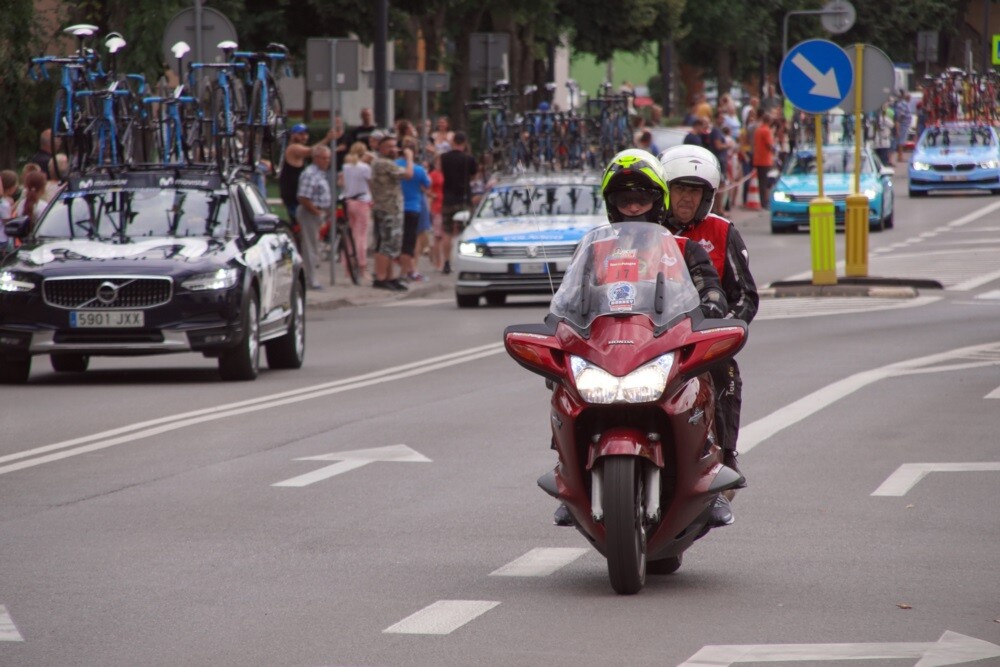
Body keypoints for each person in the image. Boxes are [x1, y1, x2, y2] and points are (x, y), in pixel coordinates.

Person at [552, 149, 728, 526]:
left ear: (657, 201)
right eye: (624, 198)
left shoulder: (682, 248)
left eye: (641, 198)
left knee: (715, 373)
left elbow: (710, 290)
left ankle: (713, 472)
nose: (633, 207)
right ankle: (567, 474)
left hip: (661, 344)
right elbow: (568, 299)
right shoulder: (593, 249)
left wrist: (712, 308)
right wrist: (557, 323)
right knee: (560, 380)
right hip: (607, 347)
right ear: (611, 204)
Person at [659, 144, 759, 527]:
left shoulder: (722, 231)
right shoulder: (644, 228)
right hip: (644, 341)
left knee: (726, 372)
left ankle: (724, 465)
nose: (686, 197)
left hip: (698, 343)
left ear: (707, 196)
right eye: (680, 188)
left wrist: (721, 332)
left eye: (695, 191)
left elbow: (746, 296)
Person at [369, 132, 414, 291]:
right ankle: (381, 277)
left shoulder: (385, 163)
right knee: (387, 244)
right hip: (388, 209)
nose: (394, 149)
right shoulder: (383, 163)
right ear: (380, 148)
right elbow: (408, 174)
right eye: (389, 147)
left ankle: (389, 277)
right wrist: (409, 157)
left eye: (395, 146)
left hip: (389, 208)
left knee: (391, 244)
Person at [281, 123, 336, 226]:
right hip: (292, 196)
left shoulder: (299, 150)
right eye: (301, 134)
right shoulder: (293, 148)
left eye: (306, 134)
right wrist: (327, 139)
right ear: (293, 135)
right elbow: (312, 151)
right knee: (299, 226)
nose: (304, 137)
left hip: (295, 195)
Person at [438, 131, 478, 275]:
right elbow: (473, 177)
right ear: (465, 143)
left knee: (447, 232)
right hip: (464, 199)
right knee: (465, 232)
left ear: (453, 142)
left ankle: (447, 263)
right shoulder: (469, 159)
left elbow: (440, 173)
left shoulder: (444, 158)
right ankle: (465, 260)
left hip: (448, 199)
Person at [296, 145, 334, 290]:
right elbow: (303, 197)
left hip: (318, 212)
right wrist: (317, 212)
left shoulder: (321, 173)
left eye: (328, 158)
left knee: (315, 246)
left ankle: (312, 277)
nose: (327, 161)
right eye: (324, 158)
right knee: (310, 247)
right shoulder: (310, 173)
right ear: (316, 158)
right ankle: (311, 280)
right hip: (310, 213)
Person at [396, 137, 431, 282]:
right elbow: (427, 185)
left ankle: (405, 270)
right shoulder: (419, 169)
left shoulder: (394, 165)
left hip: (397, 206)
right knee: (409, 242)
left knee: (396, 240)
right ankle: (405, 273)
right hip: (413, 208)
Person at [339, 141, 373, 281]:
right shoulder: (364, 167)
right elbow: (372, 182)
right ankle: (361, 266)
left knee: (350, 235)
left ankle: (347, 266)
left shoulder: (346, 166)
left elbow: (341, 183)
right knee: (361, 236)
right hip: (362, 200)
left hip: (348, 201)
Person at [752, 111, 776, 209]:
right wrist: (774, 151)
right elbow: (769, 145)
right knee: (765, 182)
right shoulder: (766, 130)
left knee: (761, 182)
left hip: (758, 158)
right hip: (765, 159)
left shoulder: (758, 130)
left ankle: (763, 201)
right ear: (769, 121)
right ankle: (764, 202)